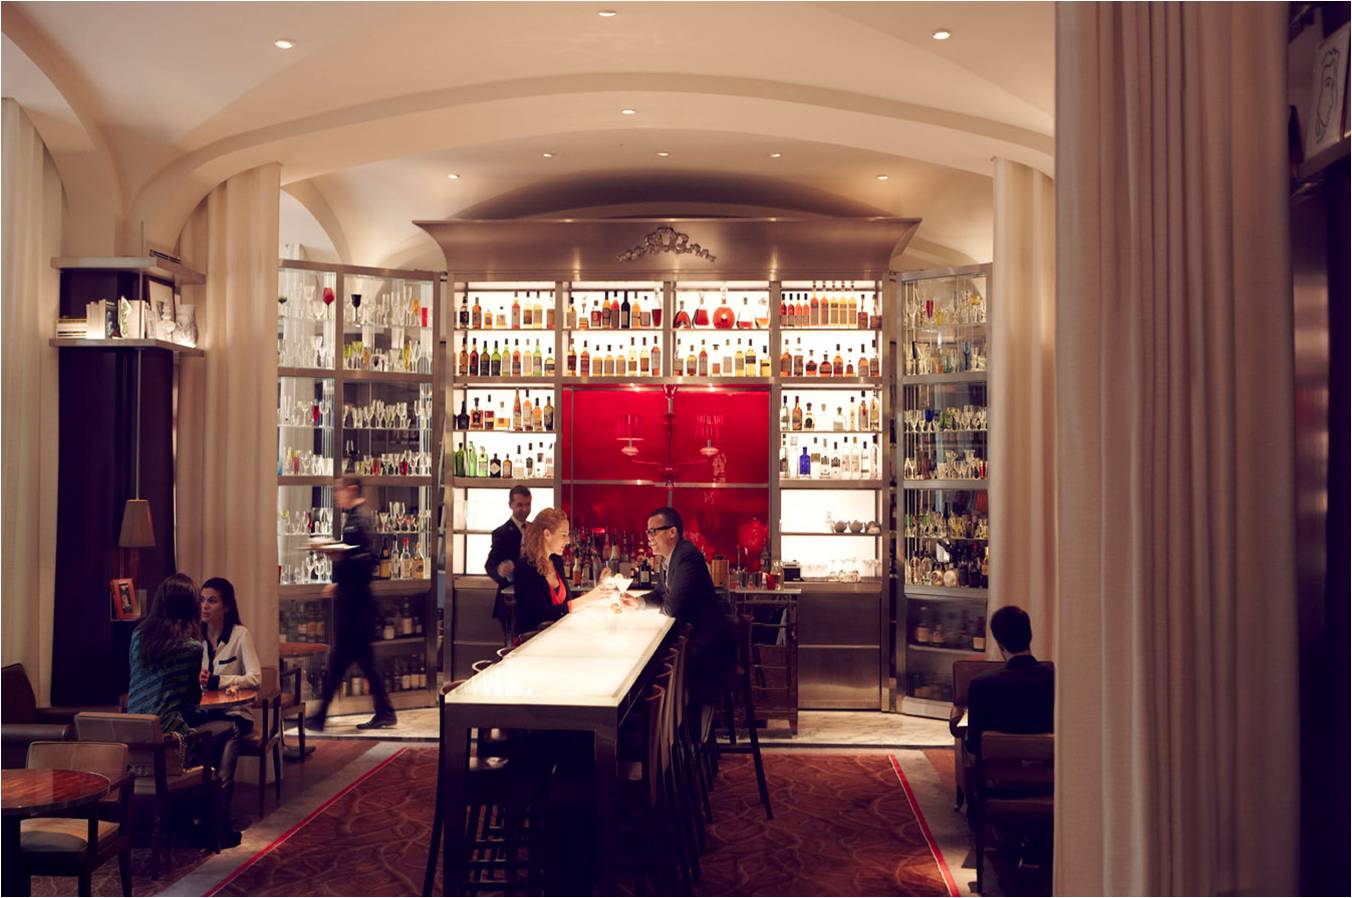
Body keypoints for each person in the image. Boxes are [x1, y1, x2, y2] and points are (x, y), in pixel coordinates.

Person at [127, 573, 241, 846]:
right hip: (167, 740)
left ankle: (185, 818)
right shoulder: (190, 647)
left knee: (205, 735)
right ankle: (215, 824)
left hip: (132, 737)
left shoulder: (138, 636)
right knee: (230, 729)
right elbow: (192, 698)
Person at [311, 475, 396, 730]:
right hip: (356, 600)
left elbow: (365, 559)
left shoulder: (360, 518)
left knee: (342, 661)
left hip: (356, 603)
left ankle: (320, 716)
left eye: (339, 491)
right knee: (358, 661)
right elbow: (356, 555)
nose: (337, 495)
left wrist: (332, 552)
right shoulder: (357, 517)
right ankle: (383, 712)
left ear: (352, 489)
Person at [643, 506, 735, 701]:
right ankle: (672, 711)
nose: (649, 538)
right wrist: (638, 602)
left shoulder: (687, 556)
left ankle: (679, 713)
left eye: (653, 531)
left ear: (672, 532)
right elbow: (660, 594)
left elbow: (671, 608)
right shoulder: (669, 559)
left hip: (704, 645)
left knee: (653, 668)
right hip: (692, 639)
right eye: (648, 532)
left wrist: (644, 621)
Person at [964, 605, 1054, 755]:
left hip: (995, 766)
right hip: (1045, 765)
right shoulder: (1055, 679)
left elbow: (974, 744)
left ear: (999, 643)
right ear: (1030, 636)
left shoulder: (981, 684)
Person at [512, 508, 612, 634]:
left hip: (556, 634)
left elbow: (565, 604)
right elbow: (538, 614)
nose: (568, 541)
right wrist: (586, 599)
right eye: (563, 535)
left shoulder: (556, 560)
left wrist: (595, 591)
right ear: (547, 534)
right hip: (534, 639)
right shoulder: (525, 567)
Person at [486, 485, 532, 633]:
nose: (525, 509)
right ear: (510, 505)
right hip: (512, 601)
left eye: (528, 504)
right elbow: (490, 564)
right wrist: (500, 571)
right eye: (520, 505)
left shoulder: (536, 530)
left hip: (534, 599)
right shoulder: (501, 533)